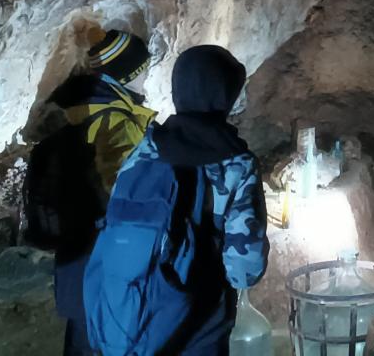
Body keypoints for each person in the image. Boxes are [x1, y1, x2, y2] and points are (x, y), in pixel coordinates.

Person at [85, 44, 269, 355]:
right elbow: (244, 270)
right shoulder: (236, 164)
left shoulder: (144, 150)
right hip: (199, 321)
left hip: (136, 311)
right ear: (225, 95)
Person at [46, 25, 156, 356]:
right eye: (142, 70)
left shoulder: (80, 113)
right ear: (127, 74)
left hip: (76, 247)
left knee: (81, 338)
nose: (145, 77)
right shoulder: (115, 122)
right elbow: (129, 191)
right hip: (107, 257)